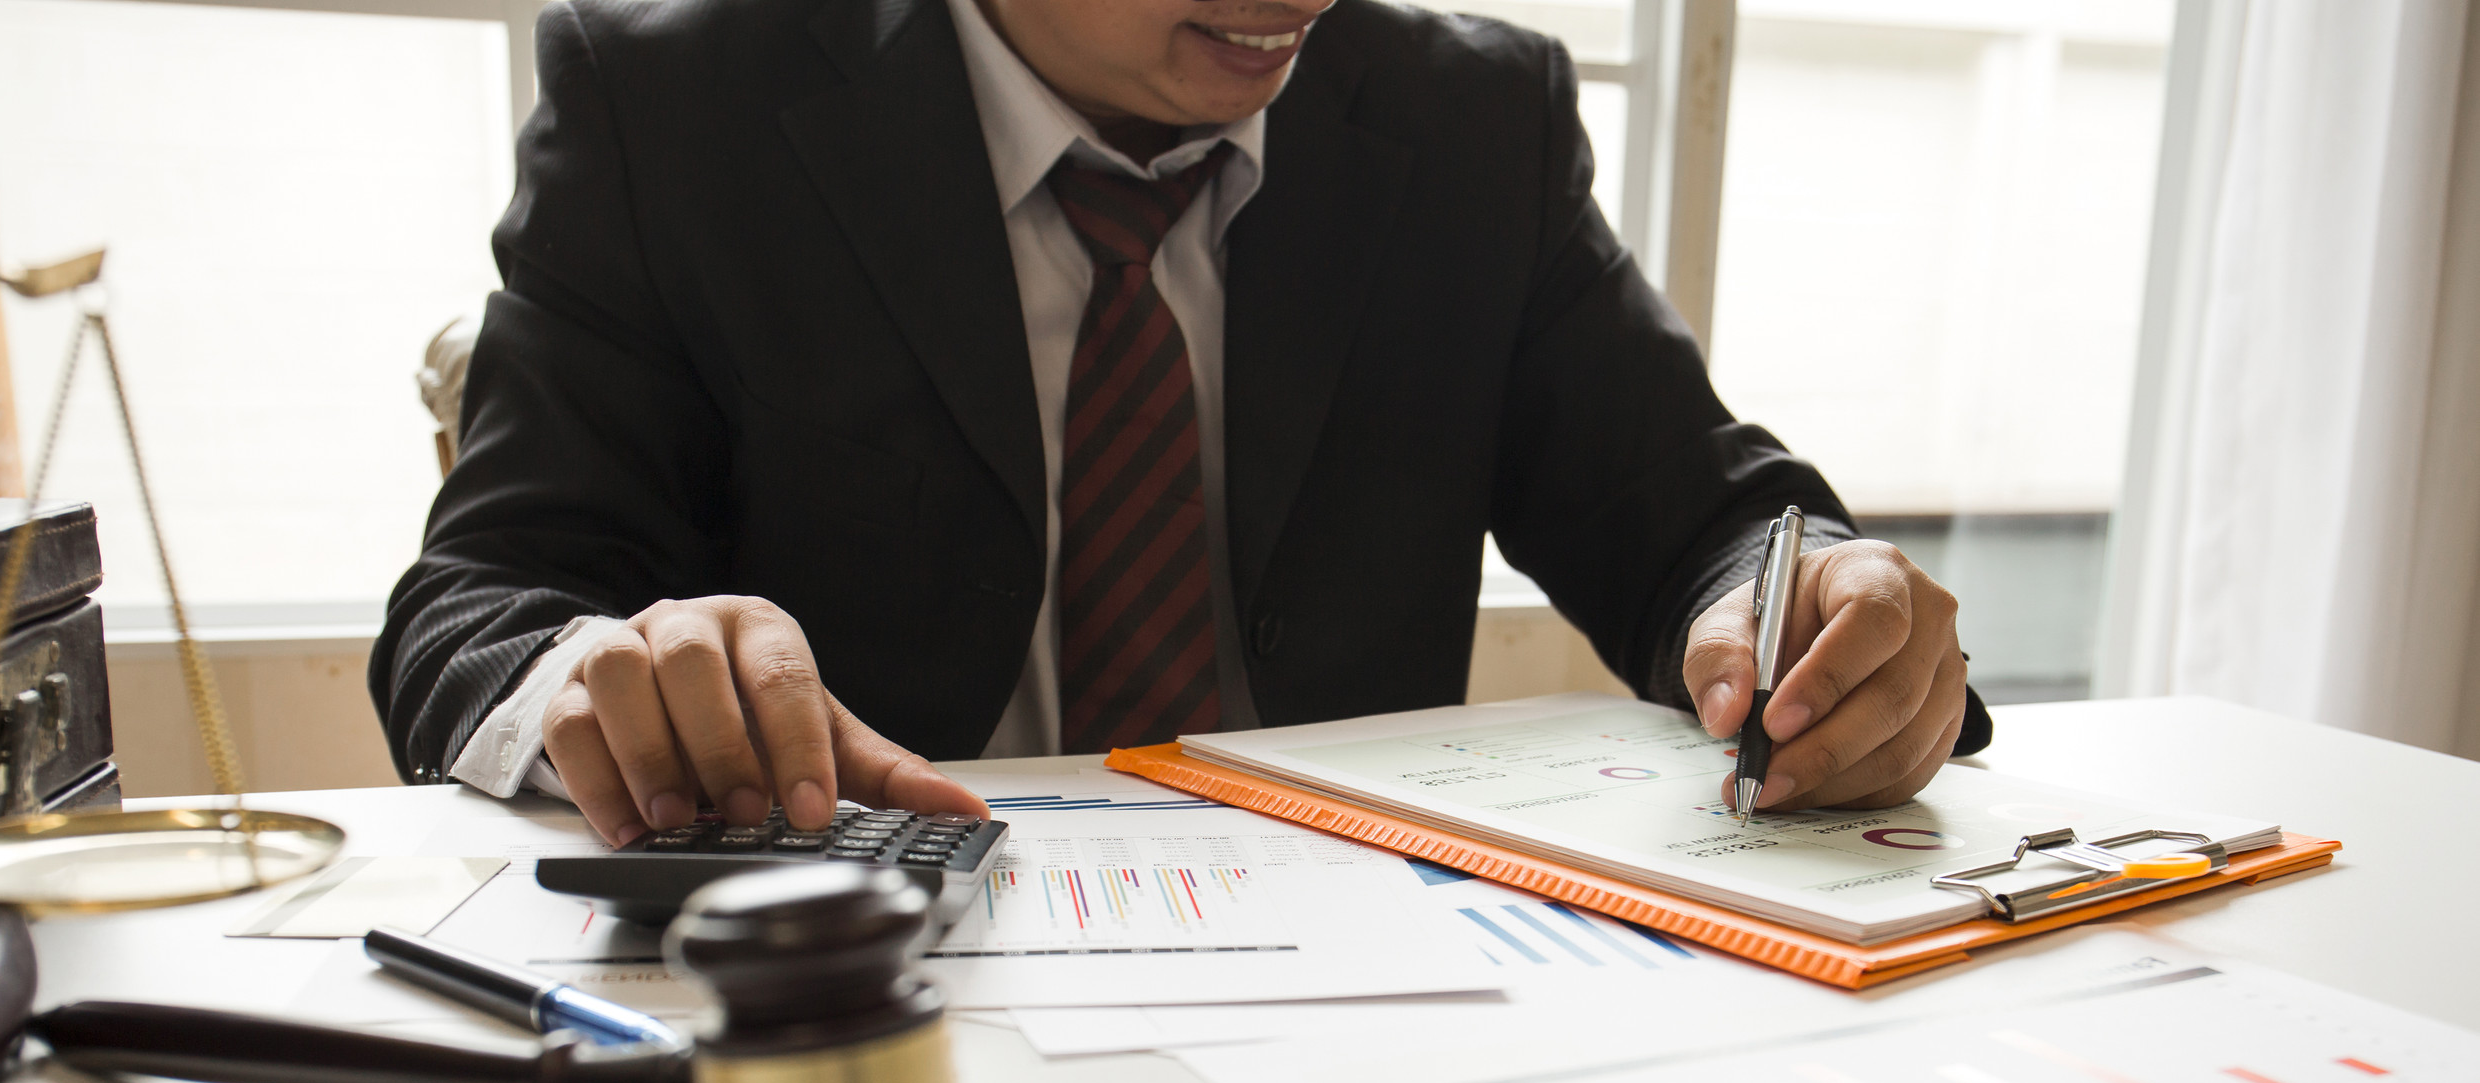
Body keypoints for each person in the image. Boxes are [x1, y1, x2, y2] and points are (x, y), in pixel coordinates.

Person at [370, 0, 1980, 848]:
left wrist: (1817, 601)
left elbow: (1693, 522)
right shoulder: (676, 106)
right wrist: (608, 672)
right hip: (862, 984)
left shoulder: (1466, 120)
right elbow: (478, 610)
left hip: (1368, 992)